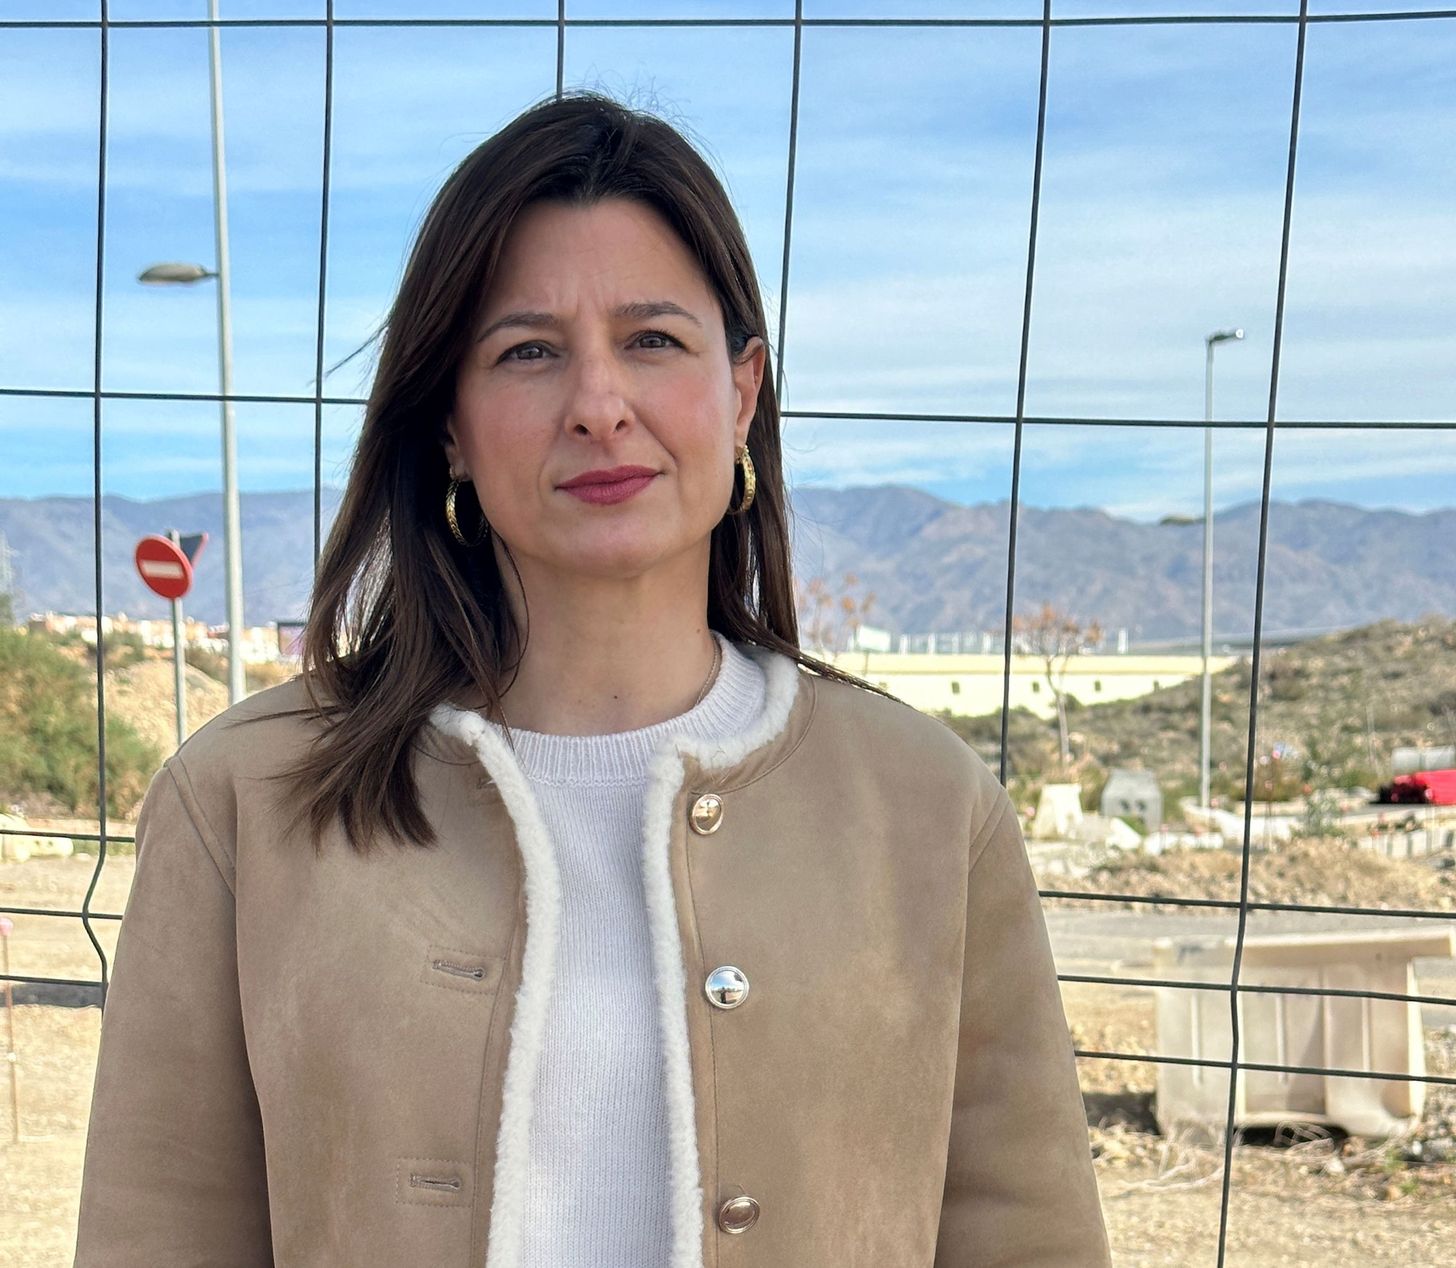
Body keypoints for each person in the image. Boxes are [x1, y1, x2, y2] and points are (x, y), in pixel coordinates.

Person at [74, 90, 1111, 1267]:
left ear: (742, 391)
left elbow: (1026, 1235)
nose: (599, 407)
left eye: (652, 340)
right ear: (451, 422)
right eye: (528, 351)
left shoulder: (927, 805)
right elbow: (155, 1233)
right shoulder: (242, 799)